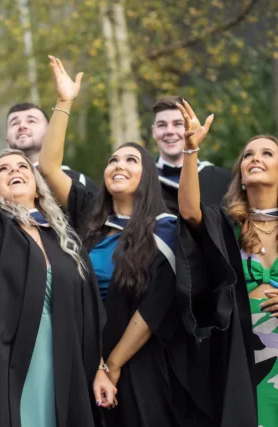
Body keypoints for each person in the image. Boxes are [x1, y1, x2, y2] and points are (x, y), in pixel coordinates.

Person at [0, 39, 113, 427]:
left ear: (38, 185)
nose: (15, 170)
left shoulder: (63, 236)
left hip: (69, 365)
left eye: (22, 167)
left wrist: (100, 366)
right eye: (3, 168)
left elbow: (90, 313)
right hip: (9, 366)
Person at [38, 56, 221, 427]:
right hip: (89, 356)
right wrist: (64, 102)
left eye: (131, 160)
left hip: (144, 364)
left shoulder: (165, 230)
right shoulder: (90, 217)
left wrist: (113, 364)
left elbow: (154, 309)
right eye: (112, 160)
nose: (118, 165)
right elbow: (48, 168)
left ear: (148, 175)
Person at [177, 100, 266, 426]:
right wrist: (190, 151)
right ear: (240, 174)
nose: (256, 158)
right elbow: (189, 212)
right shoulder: (226, 224)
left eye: (267, 153)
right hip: (242, 353)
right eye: (249, 155)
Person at [151, 96, 230, 213]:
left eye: (178, 124)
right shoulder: (140, 179)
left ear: (192, 127)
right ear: (153, 131)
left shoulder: (222, 180)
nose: (169, 131)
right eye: (162, 125)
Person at [5, 102, 97, 190]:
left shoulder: (78, 181)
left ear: (50, 131)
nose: (22, 126)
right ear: (7, 138)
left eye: (31, 121)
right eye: (14, 123)